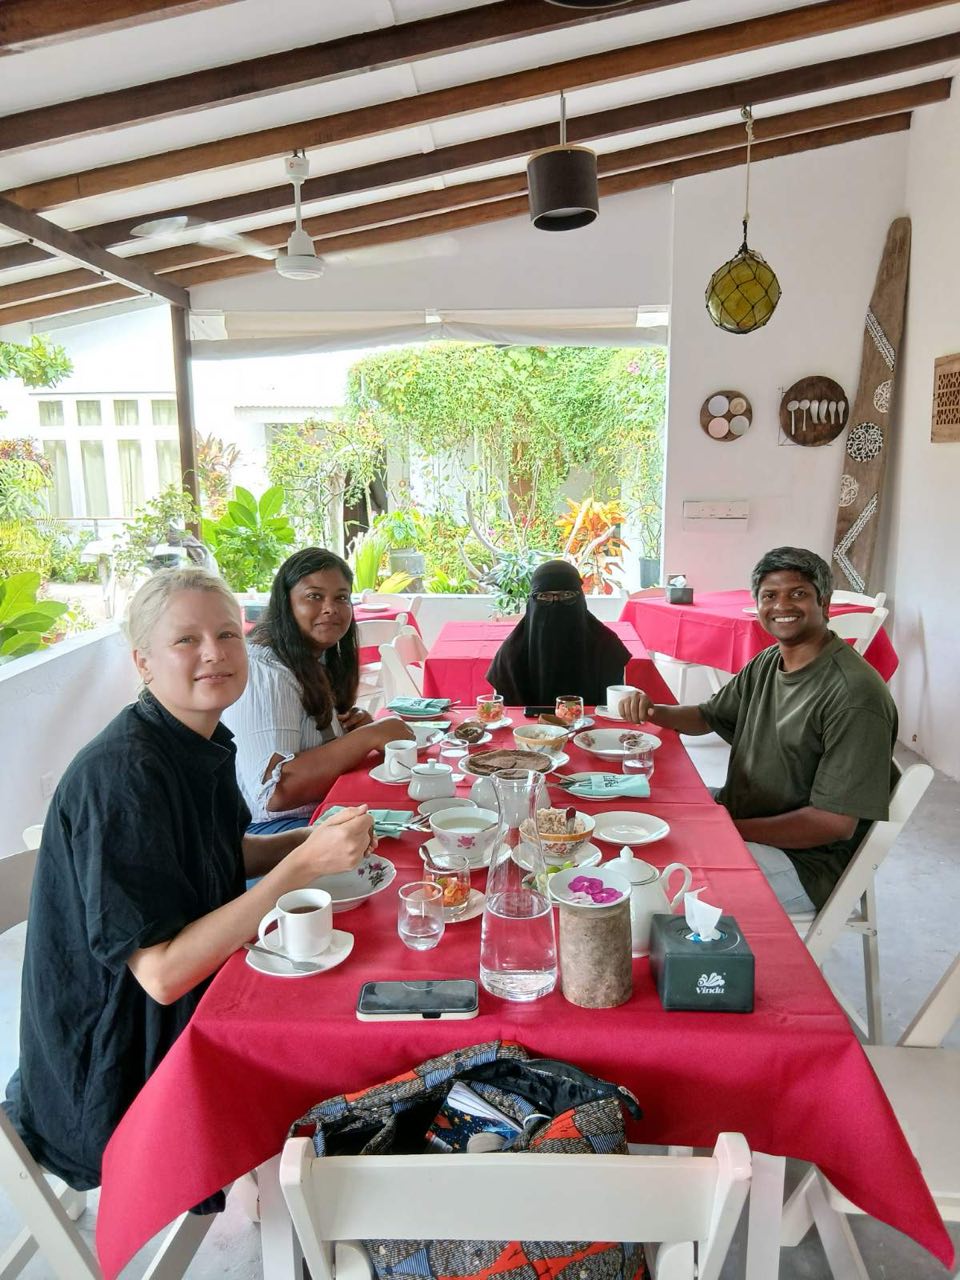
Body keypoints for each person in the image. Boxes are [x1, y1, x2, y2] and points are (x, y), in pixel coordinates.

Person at [2, 568, 373, 1191]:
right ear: (143, 662)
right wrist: (300, 869)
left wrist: (305, 840)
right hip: (114, 1066)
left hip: (182, 1009)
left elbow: (218, 853)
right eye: (186, 640)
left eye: (228, 634)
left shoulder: (193, 738)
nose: (214, 653)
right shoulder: (123, 776)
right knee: (342, 1065)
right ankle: (318, 1209)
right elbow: (165, 976)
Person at [618, 547, 898, 913]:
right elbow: (707, 716)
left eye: (798, 593)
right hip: (745, 813)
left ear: (825, 603)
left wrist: (726, 828)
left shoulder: (853, 695)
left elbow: (832, 823)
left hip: (804, 863)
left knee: (649, 891)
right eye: (770, 595)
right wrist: (653, 710)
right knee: (642, 819)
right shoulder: (770, 661)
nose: (783, 605)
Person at [223, 548, 414, 832]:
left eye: (341, 597)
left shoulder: (314, 655)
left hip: (322, 808)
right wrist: (367, 738)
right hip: (274, 831)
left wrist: (345, 732)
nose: (331, 608)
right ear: (286, 603)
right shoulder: (266, 671)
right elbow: (274, 795)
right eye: (314, 596)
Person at [486, 559, 630, 708]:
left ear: (581, 598)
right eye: (544, 596)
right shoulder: (511, 654)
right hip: (526, 731)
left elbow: (615, 710)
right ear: (531, 601)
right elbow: (502, 715)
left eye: (566, 595)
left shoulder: (606, 646)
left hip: (593, 730)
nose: (556, 603)